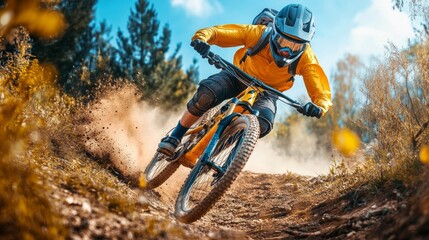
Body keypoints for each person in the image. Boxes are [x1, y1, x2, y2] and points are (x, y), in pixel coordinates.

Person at [157, 3, 332, 157]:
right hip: (238, 76)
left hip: (268, 93)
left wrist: (319, 105)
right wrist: (202, 38)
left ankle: (220, 158)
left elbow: (319, 85)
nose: (287, 50)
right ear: (274, 32)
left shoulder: (306, 58)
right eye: (283, 41)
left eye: (296, 46)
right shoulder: (258, 33)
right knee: (207, 93)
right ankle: (176, 136)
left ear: (305, 45)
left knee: (263, 123)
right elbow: (222, 32)